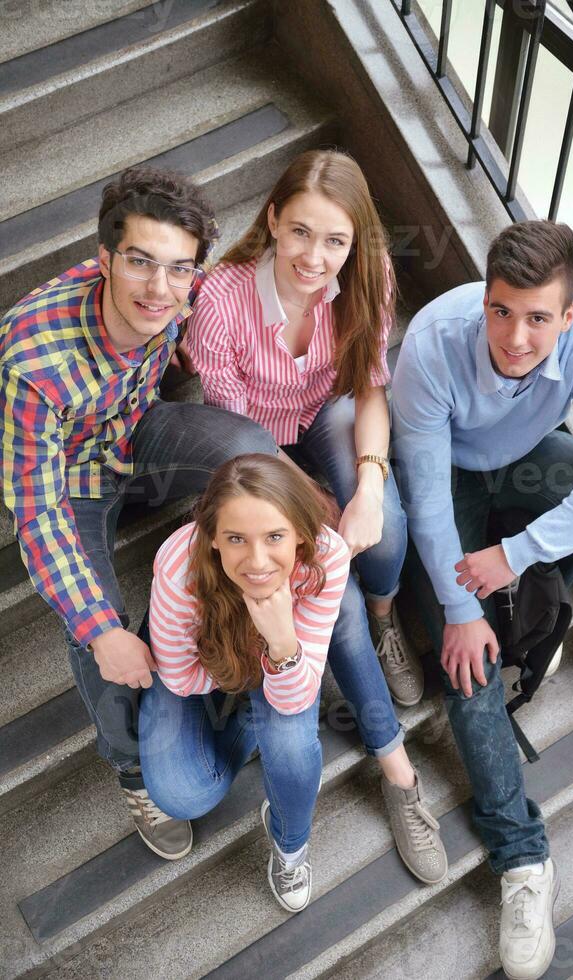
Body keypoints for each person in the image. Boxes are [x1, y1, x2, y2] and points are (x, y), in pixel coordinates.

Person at [391, 219, 573, 980]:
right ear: (485, 301)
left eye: (539, 317)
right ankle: (522, 855)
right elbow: (432, 504)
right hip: (447, 479)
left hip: (527, 469)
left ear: (568, 316)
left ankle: (534, 616)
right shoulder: (435, 343)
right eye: (501, 311)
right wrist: (465, 609)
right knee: (468, 660)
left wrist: (514, 557)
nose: (515, 336)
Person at [0, 165, 277, 861]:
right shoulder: (32, 361)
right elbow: (35, 513)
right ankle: (132, 766)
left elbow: (247, 274)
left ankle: (226, 610)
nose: (160, 288)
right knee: (94, 624)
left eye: (179, 269)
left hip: (136, 433)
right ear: (104, 260)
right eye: (141, 263)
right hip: (72, 483)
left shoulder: (182, 292)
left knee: (249, 453)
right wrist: (100, 630)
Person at [184, 148, 424, 708]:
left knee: (382, 524)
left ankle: (384, 614)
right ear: (272, 220)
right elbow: (240, 432)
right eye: (299, 232)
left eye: (335, 241)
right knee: (320, 533)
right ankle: (352, 632)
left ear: (355, 243)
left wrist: (368, 484)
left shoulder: (370, 275)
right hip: (253, 434)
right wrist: (312, 498)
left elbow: (369, 387)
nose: (315, 258)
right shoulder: (220, 300)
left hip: (326, 405)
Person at [138, 453, 351, 911]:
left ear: (299, 534)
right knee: (184, 793)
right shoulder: (179, 571)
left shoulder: (327, 558)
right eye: (237, 538)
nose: (257, 562)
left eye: (275, 536)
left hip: (280, 652)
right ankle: (256, 721)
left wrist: (278, 640)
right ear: (213, 537)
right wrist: (240, 658)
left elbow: (294, 700)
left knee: (293, 746)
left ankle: (290, 846)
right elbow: (181, 677)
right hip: (205, 659)